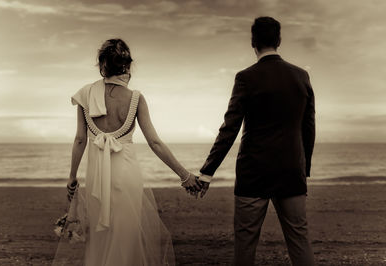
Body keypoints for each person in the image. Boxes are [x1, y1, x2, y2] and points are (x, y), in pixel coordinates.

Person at [59, 38, 201, 266]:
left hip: (97, 179)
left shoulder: (86, 94)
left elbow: (79, 139)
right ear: (126, 65)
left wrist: (72, 176)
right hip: (127, 175)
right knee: (126, 238)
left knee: (101, 237)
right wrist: (184, 175)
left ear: (102, 64)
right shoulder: (136, 98)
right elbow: (155, 142)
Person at [198, 17, 316, 265]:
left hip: (254, 173)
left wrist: (207, 172)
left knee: (245, 243)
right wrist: (304, 168)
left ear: (253, 42)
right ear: (279, 41)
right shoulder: (301, 76)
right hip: (291, 171)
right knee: (299, 239)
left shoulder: (246, 78)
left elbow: (229, 128)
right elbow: (308, 128)